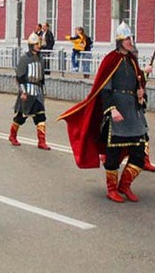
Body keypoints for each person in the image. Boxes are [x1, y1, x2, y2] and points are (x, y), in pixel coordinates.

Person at [58, 22, 150, 203]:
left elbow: (137, 82)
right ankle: (111, 189)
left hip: (132, 112)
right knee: (113, 154)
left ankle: (125, 185)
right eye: (127, 39)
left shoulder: (132, 60)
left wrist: (141, 91)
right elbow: (104, 89)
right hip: (116, 112)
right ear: (120, 40)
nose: (130, 41)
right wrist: (112, 109)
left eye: (131, 38)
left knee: (140, 152)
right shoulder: (111, 59)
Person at [8, 32, 51, 150]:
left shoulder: (40, 58)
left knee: (41, 116)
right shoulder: (25, 59)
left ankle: (41, 141)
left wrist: (43, 92)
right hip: (27, 91)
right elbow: (20, 77)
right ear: (31, 45)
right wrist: (23, 92)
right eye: (36, 44)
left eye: (39, 43)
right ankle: (12, 135)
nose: (38, 46)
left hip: (37, 92)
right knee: (21, 117)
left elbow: (42, 78)